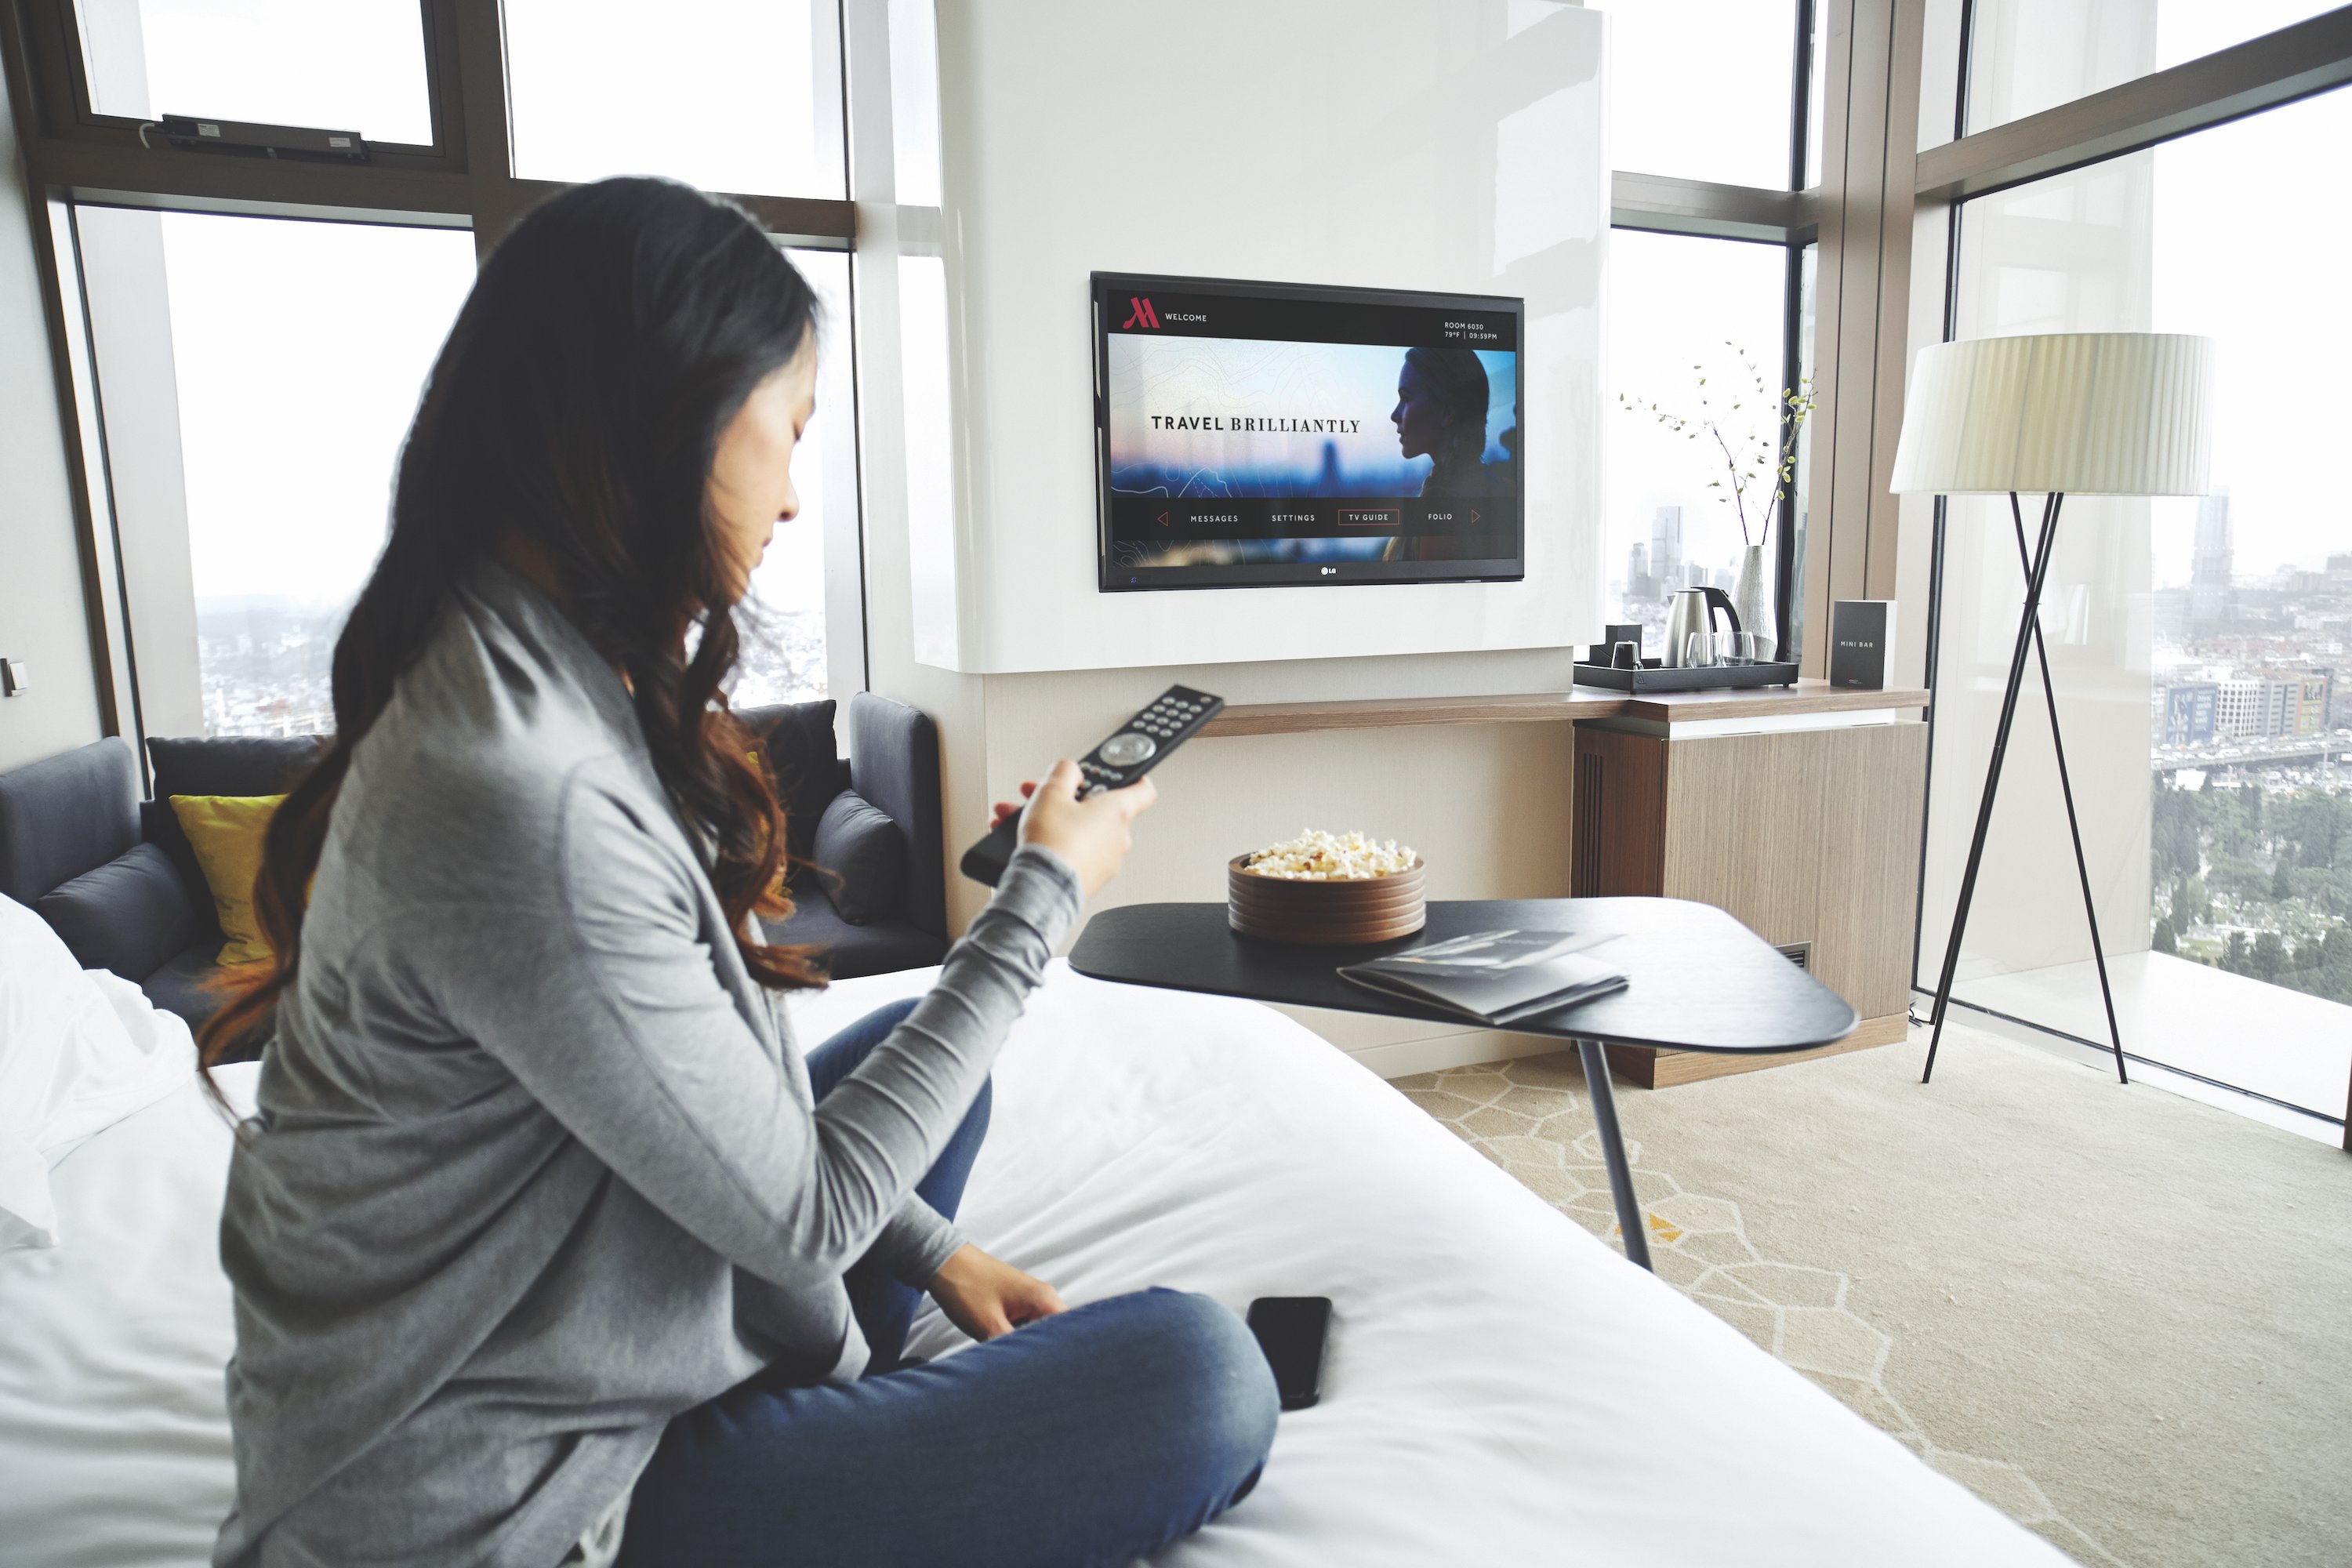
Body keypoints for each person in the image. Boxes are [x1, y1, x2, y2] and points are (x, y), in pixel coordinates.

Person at [201, 176, 1277, 1568]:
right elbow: (807, 1212)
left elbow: (710, 1099)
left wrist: (936, 1253)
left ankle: (819, 1388)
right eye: (790, 431)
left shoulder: (515, 662)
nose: (788, 495)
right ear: (670, 420)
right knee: (1204, 1378)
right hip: (513, 1503)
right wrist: (1043, 901)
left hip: (581, 1327)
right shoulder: (518, 797)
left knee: (899, 1043)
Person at [1385, 347, 1515, 564]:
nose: (1394, 415)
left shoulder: (1441, 520)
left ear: (1446, 413)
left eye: (1405, 399)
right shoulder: (1509, 489)